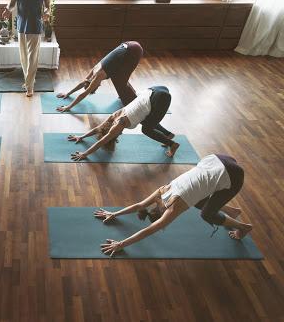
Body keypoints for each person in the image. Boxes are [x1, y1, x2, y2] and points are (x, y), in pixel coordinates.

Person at [94, 154, 253, 256]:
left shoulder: (173, 209)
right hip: (216, 159)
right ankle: (232, 211)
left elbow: (148, 231)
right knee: (196, 199)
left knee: (206, 214)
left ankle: (243, 227)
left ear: (161, 214)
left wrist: (120, 244)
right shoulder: (162, 192)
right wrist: (113, 214)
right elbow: (139, 205)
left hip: (232, 175)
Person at [68, 86, 179, 160]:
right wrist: (81, 137)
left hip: (161, 99)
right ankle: (168, 134)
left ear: (111, 132)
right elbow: (98, 129)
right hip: (154, 89)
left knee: (146, 129)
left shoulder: (118, 125)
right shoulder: (114, 116)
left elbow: (102, 141)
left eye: (116, 136)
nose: (120, 135)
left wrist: (84, 154)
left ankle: (172, 144)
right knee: (145, 120)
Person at [55, 41, 143, 112]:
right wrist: (68, 94)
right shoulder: (94, 71)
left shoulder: (97, 77)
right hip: (128, 44)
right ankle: (127, 95)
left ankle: (137, 103)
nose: (99, 86)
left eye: (96, 88)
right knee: (117, 77)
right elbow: (83, 82)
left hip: (134, 51)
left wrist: (68, 107)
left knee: (121, 81)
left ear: (92, 85)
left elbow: (83, 94)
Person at [2, 0, 51, 97]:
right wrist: (8, 10)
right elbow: (12, 2)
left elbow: (48, 5)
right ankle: (29, 80)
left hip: (35, 24)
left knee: (32, 57)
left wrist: (47, 13)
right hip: (21, 24)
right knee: (24, 56)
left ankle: (30, 87)